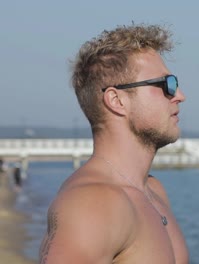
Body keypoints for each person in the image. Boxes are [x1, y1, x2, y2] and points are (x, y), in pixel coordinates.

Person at [39, 24, 188, 264]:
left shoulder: (152, 190)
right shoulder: (93, 202)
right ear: (116, 100)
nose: (179, 95)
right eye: (166, 84)